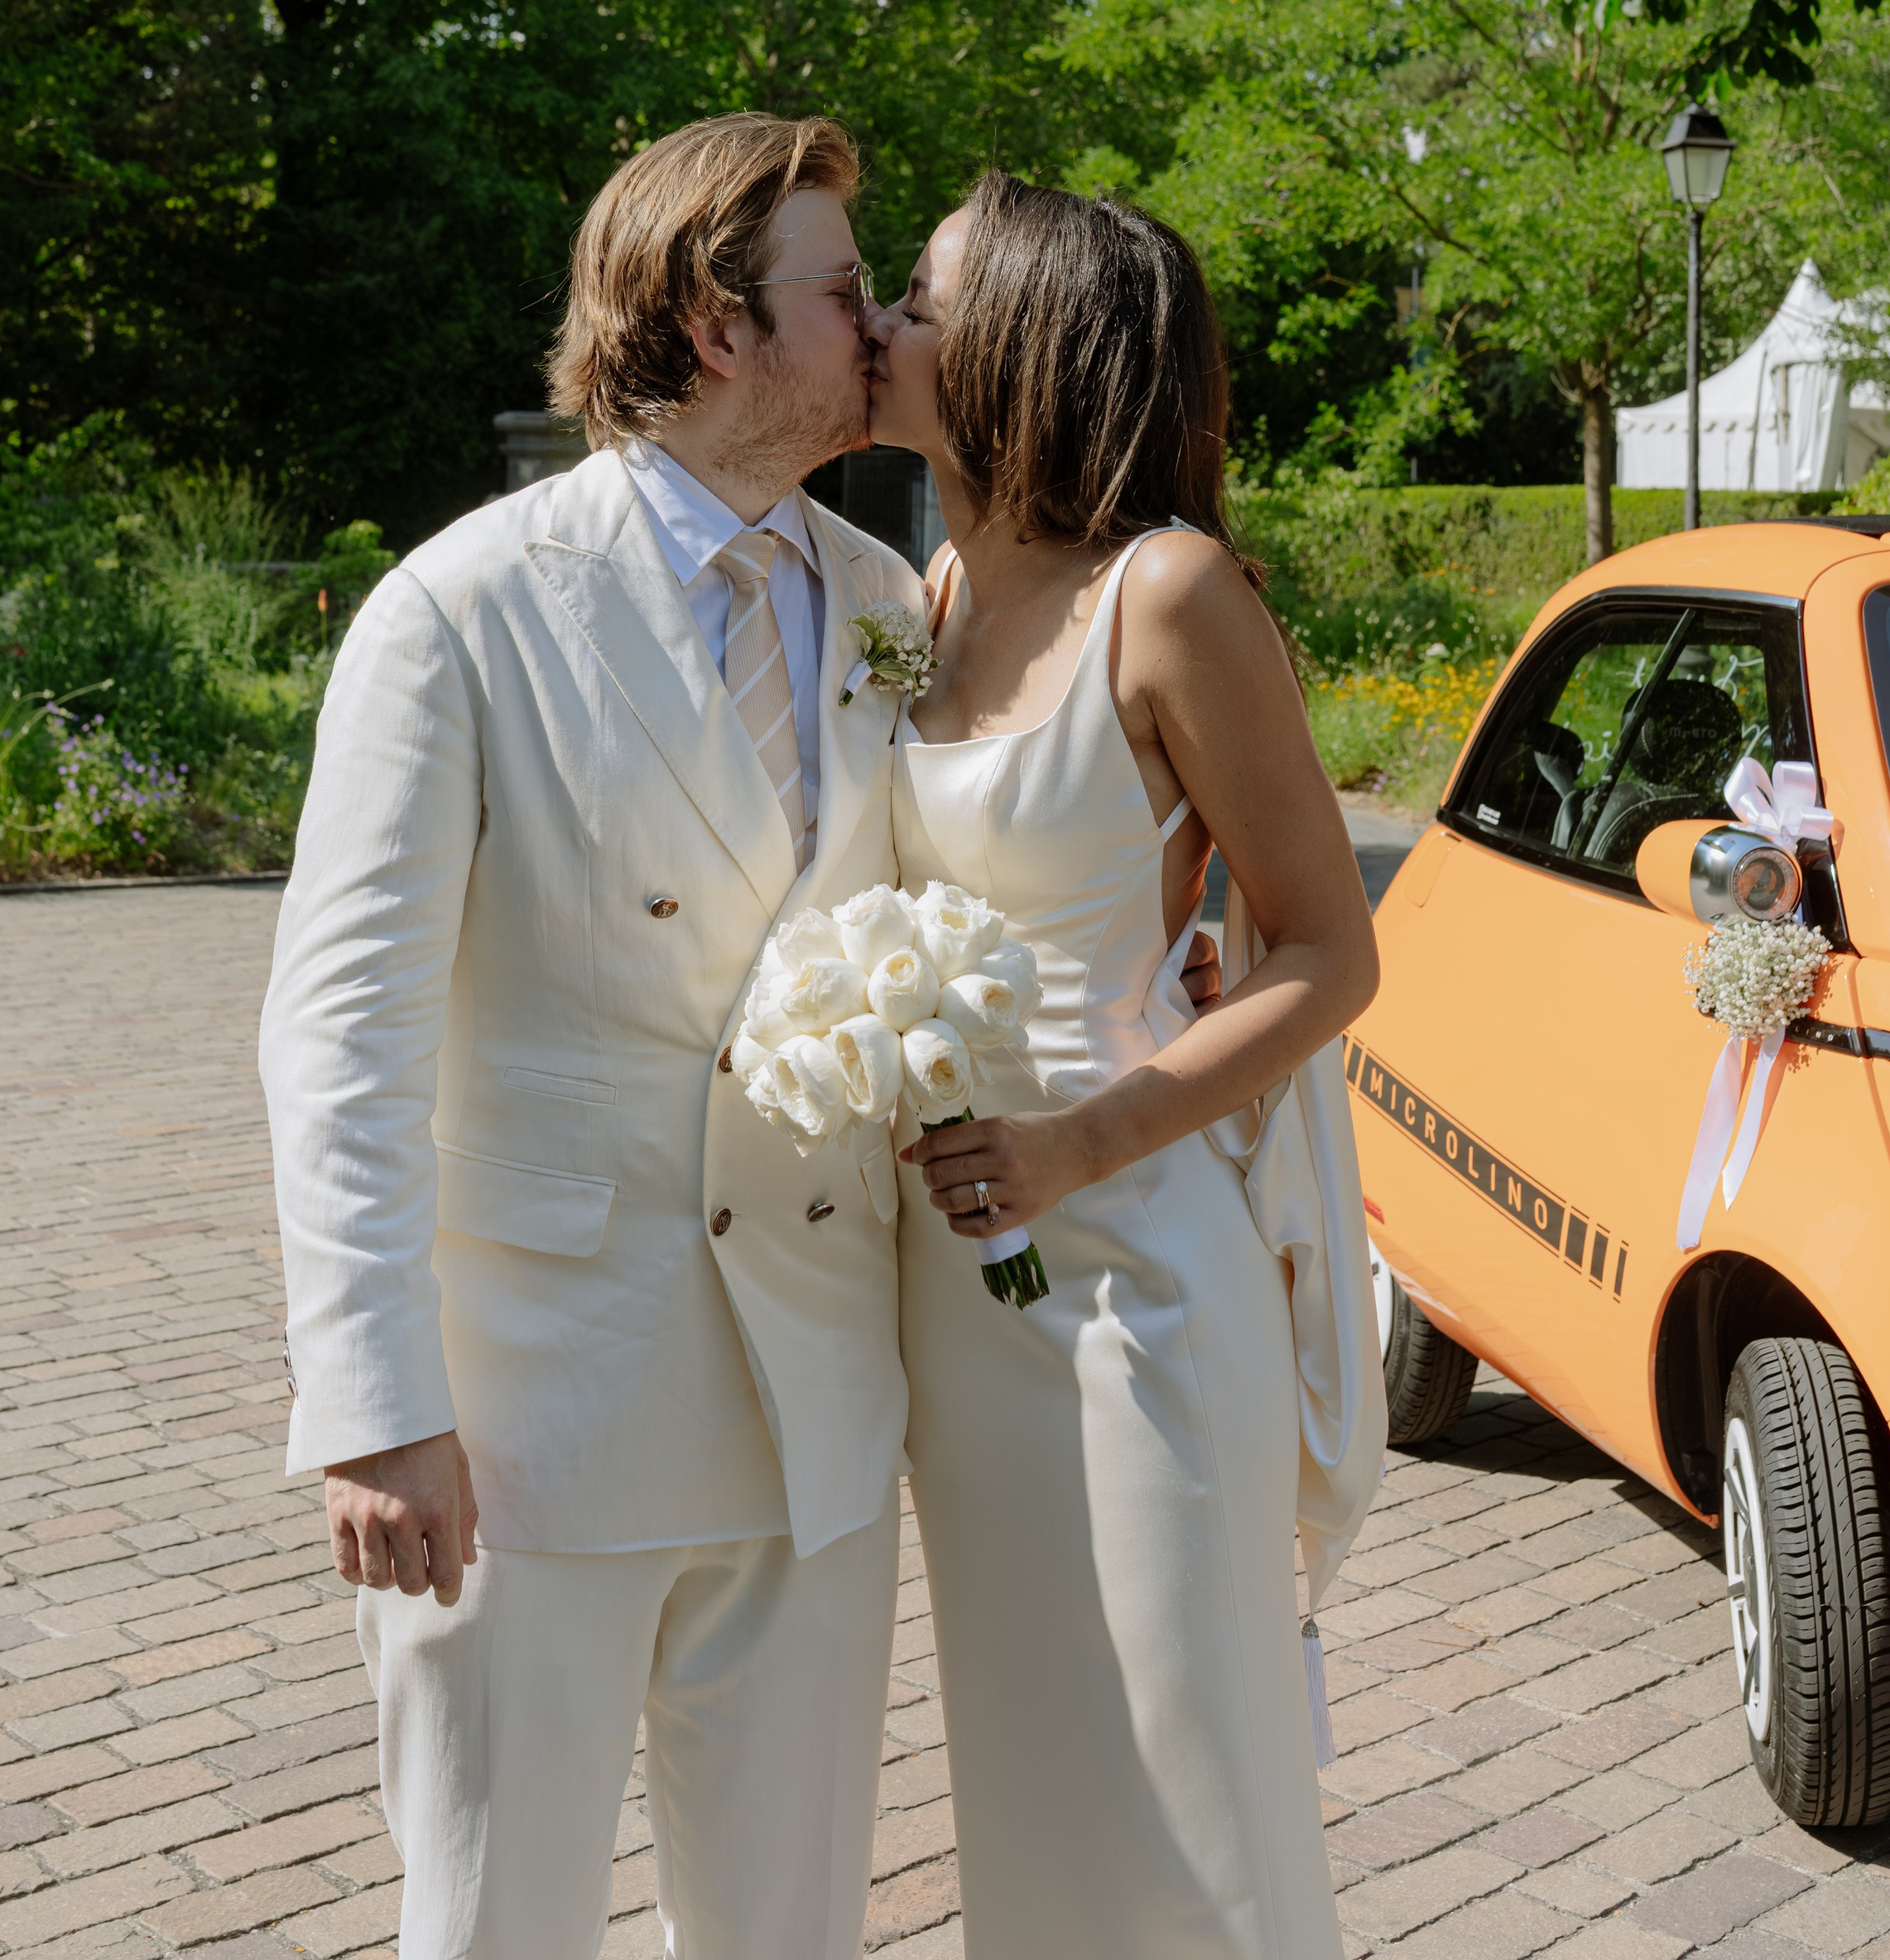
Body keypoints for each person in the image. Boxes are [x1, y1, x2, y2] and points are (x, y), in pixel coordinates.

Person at [258, 113, 925, 1960]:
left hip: (814, 1410)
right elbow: (341, 1036)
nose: (879, 323)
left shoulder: (886, 608)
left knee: (789, 1930)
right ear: (720, 324)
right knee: (500, 1928)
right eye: (844, 289)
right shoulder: (458, 612)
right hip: (530, 1421)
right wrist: (379, 1410)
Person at [865, 171, 1387, 1960]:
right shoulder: (922, 593)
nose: (879, 330)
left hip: (1139, 1284)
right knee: (1037, 1793)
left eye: (918, 303)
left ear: (1020, 339)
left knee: (1189, 1798)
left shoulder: (1164, 598)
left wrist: (1081, 1140)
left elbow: (1330, 952)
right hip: (964, 1302)